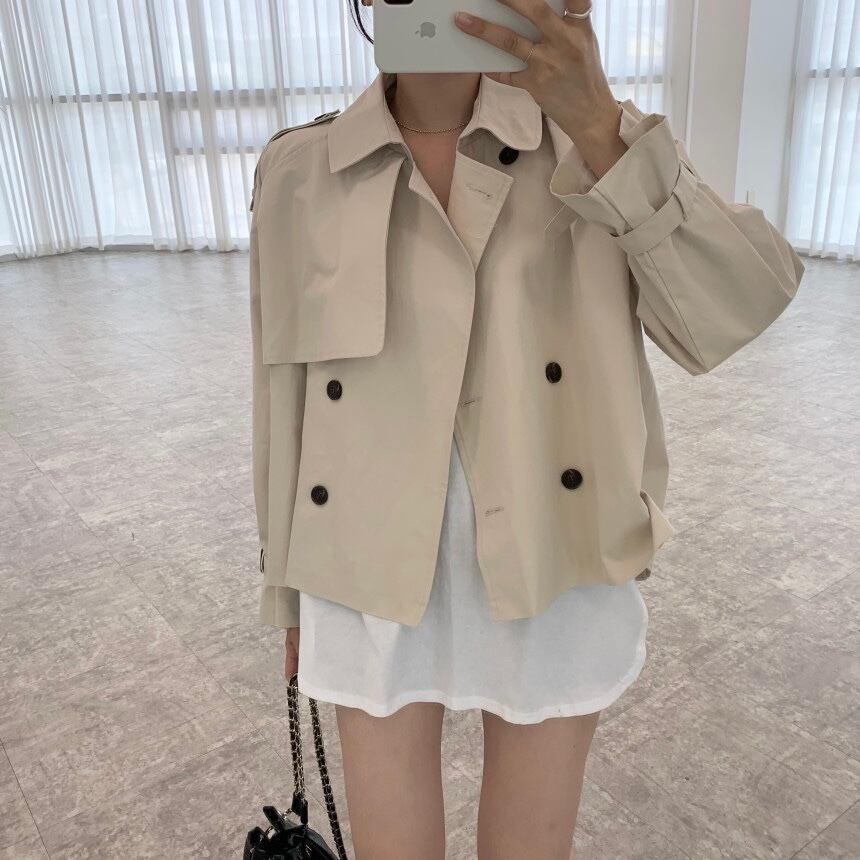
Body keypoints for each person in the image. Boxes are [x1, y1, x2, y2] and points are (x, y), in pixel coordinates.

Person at [248, 1, 805, 857]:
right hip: (361, 564)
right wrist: (288, 595)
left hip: (554, 548)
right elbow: (283, 395)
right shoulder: (301, 167)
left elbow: (735, 308)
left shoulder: (592, 146)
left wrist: (602, 128)